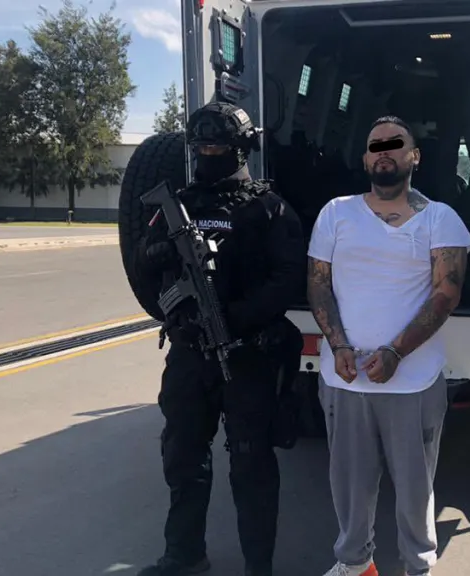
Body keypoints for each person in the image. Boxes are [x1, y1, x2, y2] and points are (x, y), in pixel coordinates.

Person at [131, 101, 307, 576]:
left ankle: (258, 566)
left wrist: (235, 319)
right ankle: (184, 554)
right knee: (182, 455)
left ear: (242, 149)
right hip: (190, 354)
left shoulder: (271, 209)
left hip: (246, 355)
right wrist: (160, 260)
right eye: (202, 148)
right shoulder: (178, 205)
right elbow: (144, 265)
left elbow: (288, 279)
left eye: (219, 148)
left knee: (251, 464)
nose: (209, 155)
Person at [306, 116, 470, 576]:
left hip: (412, 383)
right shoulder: (336, 213)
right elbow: (318, 284)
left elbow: (446, 293)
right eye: (374, 145)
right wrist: (339, 345)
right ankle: (355, 564)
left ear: (413, 156)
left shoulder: (441, 219)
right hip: (344, 380)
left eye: (394, 143)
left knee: (415, 490)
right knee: (349, 486)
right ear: (365, 159)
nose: (384, 151)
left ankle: (417, 566)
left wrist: (396, 351)